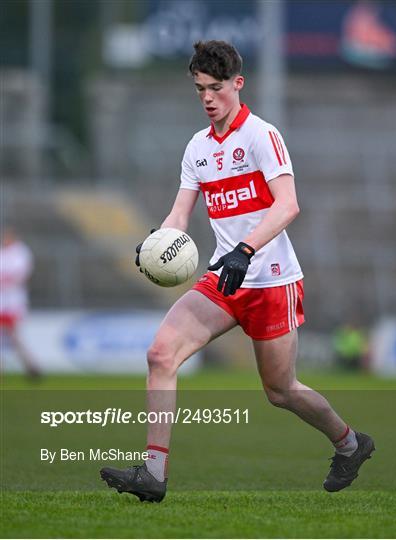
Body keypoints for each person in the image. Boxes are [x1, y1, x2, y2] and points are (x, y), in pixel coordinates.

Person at [100, 40, 375, 502]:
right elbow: (179, 216)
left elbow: (288, 205)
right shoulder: (198, 148)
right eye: (199, 89)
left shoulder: (261, 136)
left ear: (238, 84)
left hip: (271, 279)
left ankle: (351, 444)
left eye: (216, 88)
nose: (208, 98)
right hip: (223, 279)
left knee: (281, 391)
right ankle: (153, 473)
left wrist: (245, 249)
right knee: (161, 356)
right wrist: (156, 245)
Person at [0, 226, 41, 378]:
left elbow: (20, 275)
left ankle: (31, 365)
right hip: (2, 301)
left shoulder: (21, 252)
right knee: (10, 337)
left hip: (13, 302)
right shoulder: (3, 252)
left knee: (14, 336)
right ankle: (30, 366)